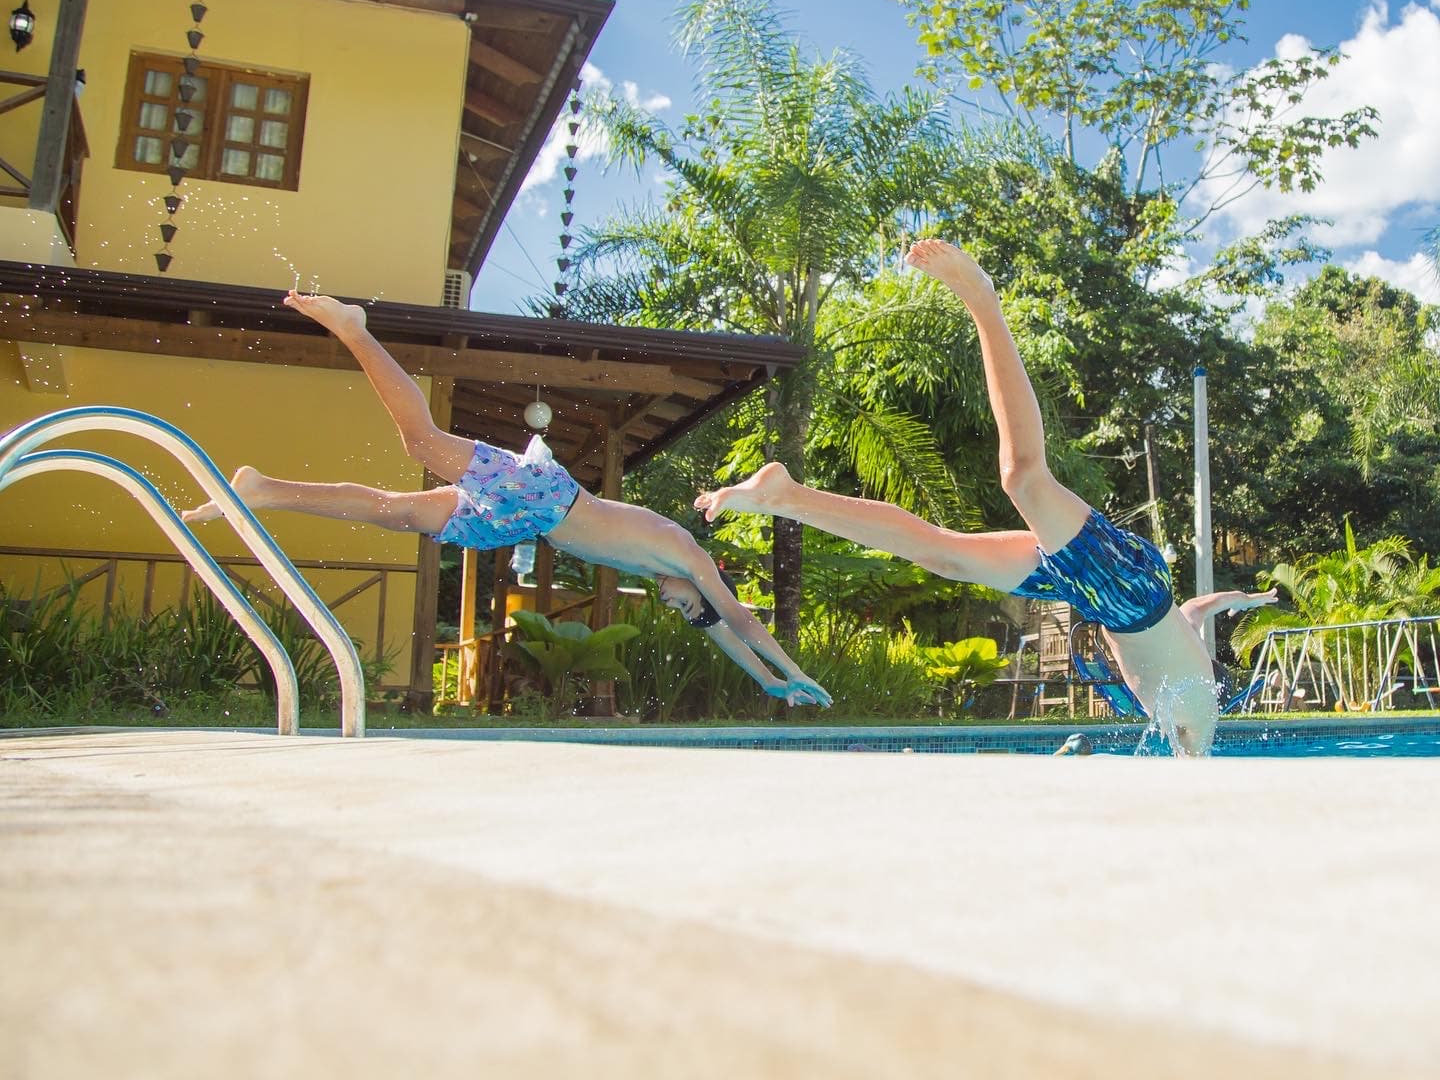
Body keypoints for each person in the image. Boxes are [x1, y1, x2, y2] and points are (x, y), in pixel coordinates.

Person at [695, 239, 1224, 755]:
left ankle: (784, 496)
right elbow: (1189, 643)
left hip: (1101, 598)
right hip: (1132, 595)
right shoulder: (1194, 732)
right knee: (1023, 478)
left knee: (940, 553)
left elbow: (1195, 611)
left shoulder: (1189, 681)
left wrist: (1236, 601)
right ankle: (983, 302)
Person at [182, 290, 831, 709]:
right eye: (690, 610)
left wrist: (768, 684)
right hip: (545, 496)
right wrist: (791, 672)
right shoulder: (688, 557)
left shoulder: (664, 573)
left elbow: (720, 634)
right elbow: (738, 624)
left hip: (524, 523)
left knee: (397, 510)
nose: (678, 609)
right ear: (707, 589)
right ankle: (355, 330)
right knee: (424, 443)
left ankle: (263, 490)